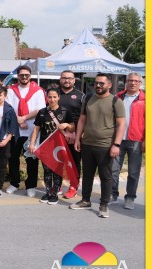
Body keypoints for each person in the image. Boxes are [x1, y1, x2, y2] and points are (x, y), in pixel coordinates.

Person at [70, 74, 126, 218]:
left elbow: (121, 125)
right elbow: (82, 120)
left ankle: (104, 205)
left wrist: (116, 145)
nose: (98, 86)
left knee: (105, 176)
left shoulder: (116, 101)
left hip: (106, 146)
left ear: (109, 85)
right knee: (87, 174)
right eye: (96, 83)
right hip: (87, 144)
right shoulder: (88, 99)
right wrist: (77, 139)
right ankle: (85, 200)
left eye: (102, 83)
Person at [28, 87, 75, 205]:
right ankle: (48, 192)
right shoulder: (42, 112)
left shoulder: (64, 111)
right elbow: (36, 129)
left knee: (57, 170)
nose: (52, 99)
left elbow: (73, 126)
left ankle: (55, 194)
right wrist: (32, 144)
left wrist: (66, 125)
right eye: (50, 97)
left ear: (58, 97)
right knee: (47, 170)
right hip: (45, 146)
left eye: (54, 97)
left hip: (59, 147)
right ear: (46, 98)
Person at [5, 65, 46, 197]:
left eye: (26, 75)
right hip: (15, 130)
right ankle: (14, 183)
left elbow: (40, 110)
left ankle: (31, 185)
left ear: (30, 76)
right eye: (21, 75)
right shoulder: (11, 90)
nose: (24, 77)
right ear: (18, 76)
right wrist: (18, 120)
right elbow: (8, 107)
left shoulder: (38, 91)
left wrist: (24, 118)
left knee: (31, 160)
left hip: (32, 131)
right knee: (13, 158)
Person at [111, 72, 145, 210]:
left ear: (140, 83)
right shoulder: (117, 97)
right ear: (126, 81)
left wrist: (146, 141)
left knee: (133, 172)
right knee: (113, 170)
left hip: (136, 140)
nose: (133, 83)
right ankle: (113, 194)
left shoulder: (146, 99)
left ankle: (130, 197)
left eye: (136, 81)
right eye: (130, 80)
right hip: (118, 139)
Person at [58, 70, 85, 199]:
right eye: (64, 78)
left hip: (74, 134)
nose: (67, 80)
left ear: (74, 80)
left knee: (74, 162)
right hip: (57, 134)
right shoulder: (54, 94)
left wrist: (75, 132)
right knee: (57, 160)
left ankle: (73, 186)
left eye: (69, 78)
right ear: (60, 79)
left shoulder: (81, 96)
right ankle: (57, 185)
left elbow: (84, 117)